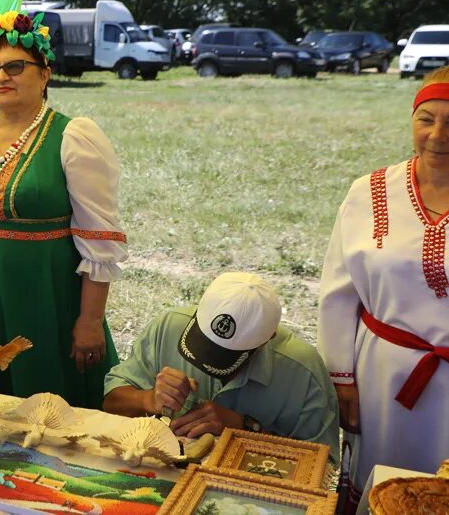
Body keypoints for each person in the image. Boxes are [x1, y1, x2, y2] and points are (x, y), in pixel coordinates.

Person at [0, 10, 127, 408]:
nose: (2, 77)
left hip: (40, 297)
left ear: (45, 72)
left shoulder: (72, 136)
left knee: (41, 403)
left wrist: (88, 322)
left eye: (15, 66)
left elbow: (97, 238)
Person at [319, 66, 449, 511]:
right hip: (383, 378)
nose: (437, 135)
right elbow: (339, 291)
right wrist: (342, 380)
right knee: (382, 487)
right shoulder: (371, 191)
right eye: (426, 119)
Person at [104, 272, 339, 462]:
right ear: (198, 313)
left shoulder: (303, 373)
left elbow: (321, 467)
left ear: (268, 338)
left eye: (227, 355)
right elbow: (110, 404)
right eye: (204, 344)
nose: (209, 364)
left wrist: (244, 429)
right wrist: (148, 400)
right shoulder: (167, 328)